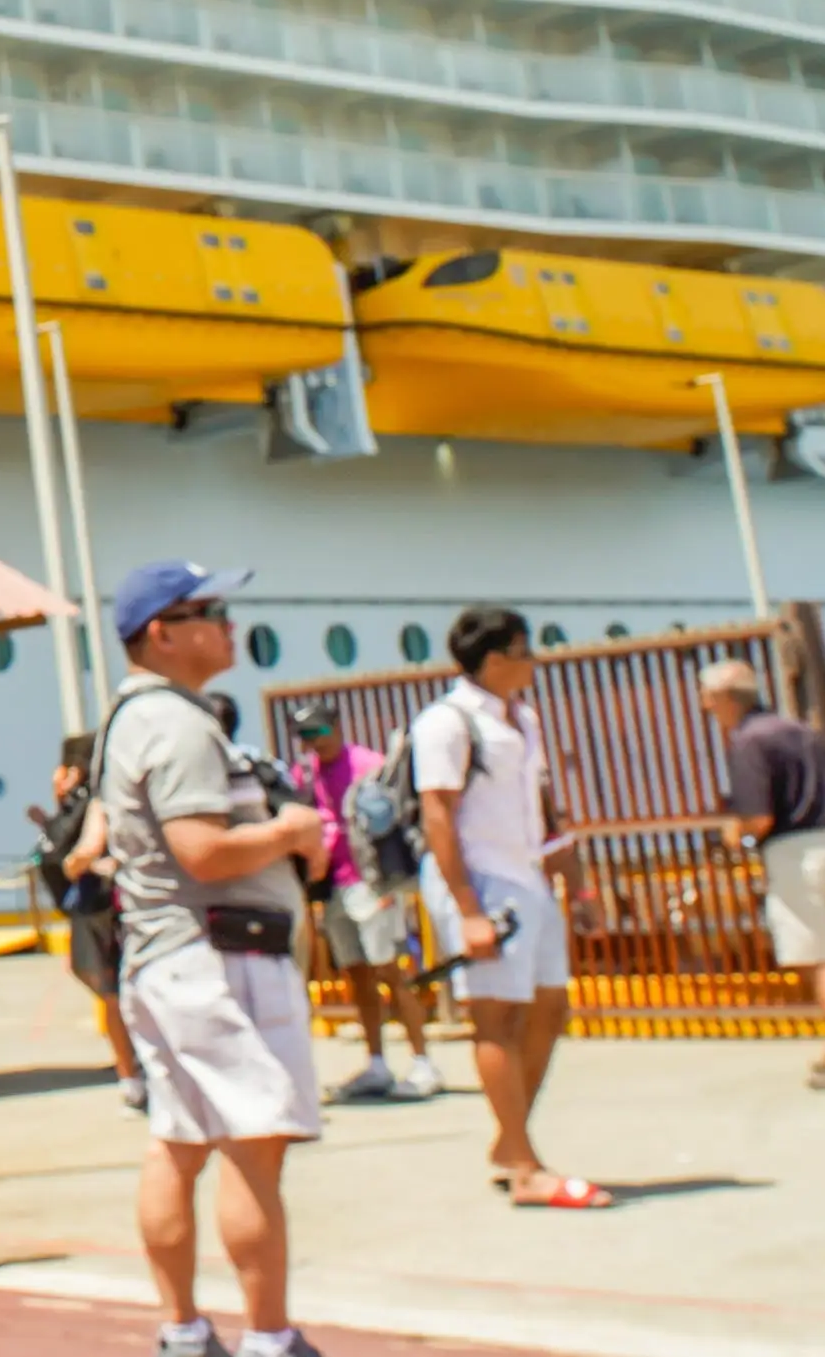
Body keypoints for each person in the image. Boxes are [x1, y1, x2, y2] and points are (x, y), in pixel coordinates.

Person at [77, 559, 330, 1357]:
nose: (227, 622)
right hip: (219, 956)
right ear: (162, 631)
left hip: (164, 957)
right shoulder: (179, 722)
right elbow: (203, 849)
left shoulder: (134, 719)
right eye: (208, 608)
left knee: (177, 1140)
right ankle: (268, 1335)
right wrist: (292, 830)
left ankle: (184, 1327)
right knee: (254, 1149)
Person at [414, 604, 608, 1210]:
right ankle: (525, 1166)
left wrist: (577, 885)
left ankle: (509, 1141)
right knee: (494, 1015)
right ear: (494, 660)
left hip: (527, 878)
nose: (534, 662)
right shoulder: (446, 723)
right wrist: (468, 908)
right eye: (525, 651)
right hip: (481, 881)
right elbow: (437, 814)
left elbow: (544, 808)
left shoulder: (523, 718)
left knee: (550, 1005)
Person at [693, 660, 825, 1090]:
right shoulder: (802, 729)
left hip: (796, 850)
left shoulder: (747, 741)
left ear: (722, 698)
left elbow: (759, 817)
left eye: (707, 697)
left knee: (819, 959)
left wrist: (733, 830)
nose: (705, 707)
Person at [287, 705, 441, 1103]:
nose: (314, 742)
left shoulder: (366, 765)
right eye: (305, 735)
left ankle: (423, 1061)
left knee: (389, 969)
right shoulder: (304, 774)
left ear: (337, 726)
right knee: (356, 974)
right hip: (334, 887)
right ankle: (376, 1062)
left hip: (371, 883)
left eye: (319, 731)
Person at [40, 734, 149, 1113]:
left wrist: (83, 864)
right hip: (136, 904)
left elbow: (79, 853)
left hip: (101, 908)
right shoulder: (125, 790)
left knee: (114, 994)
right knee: (125, 991)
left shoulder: (97, 801)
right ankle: (139, 1068)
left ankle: (132, 1077)